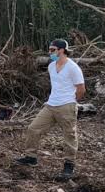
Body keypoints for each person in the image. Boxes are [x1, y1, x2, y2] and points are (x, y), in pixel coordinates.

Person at [15, 39, 85, 181]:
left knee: (69, 135)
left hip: (67, 105)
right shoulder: (51, 66)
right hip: (51, 104)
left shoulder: (73, 67)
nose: (50, 52)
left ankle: (69, 164)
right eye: (49, 50)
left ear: (61, 50)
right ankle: (31, 157)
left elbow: (81, 89)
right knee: (33, 128)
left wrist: (72, 102)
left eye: (52, 50)